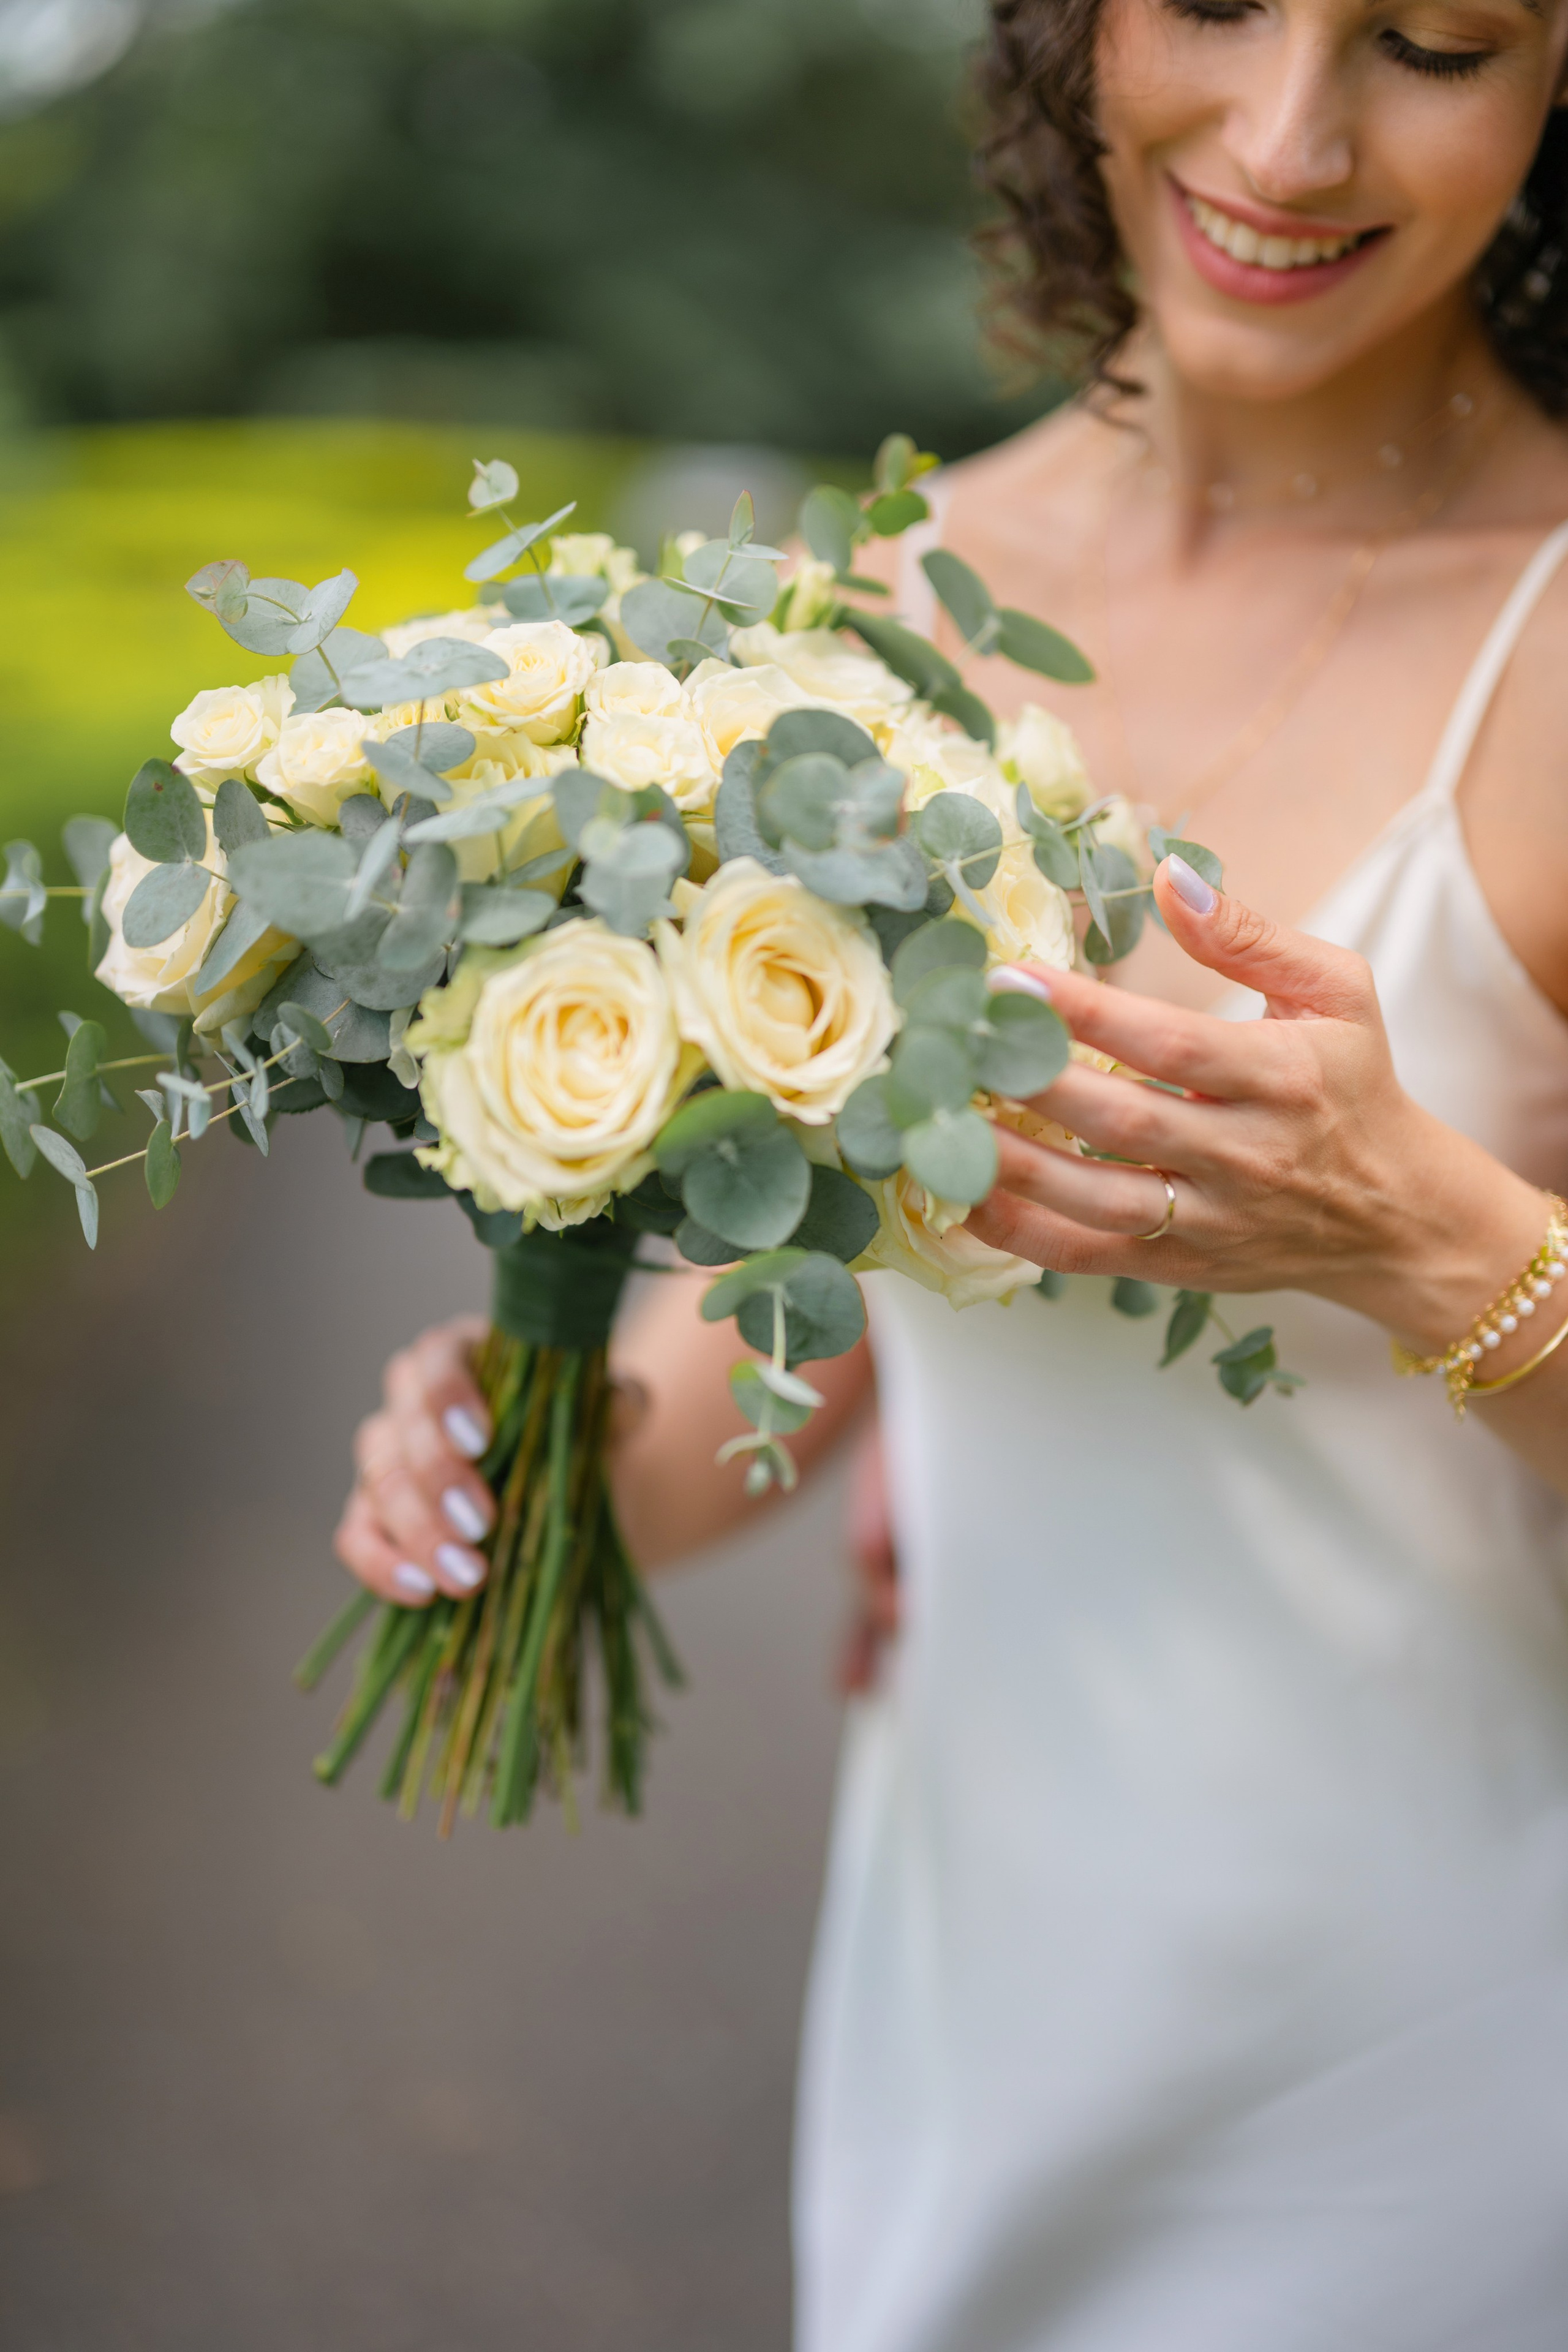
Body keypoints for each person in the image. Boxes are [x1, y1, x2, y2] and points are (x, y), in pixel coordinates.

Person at [334, 0, 1568, 2340]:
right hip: (985, 1981)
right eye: (1213, 2)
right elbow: (823, 1310)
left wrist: (1429, 1238)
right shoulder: (868, 611)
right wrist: (564, 1453)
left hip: (1464, 2024)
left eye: (1430, 36)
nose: (1293, 139)